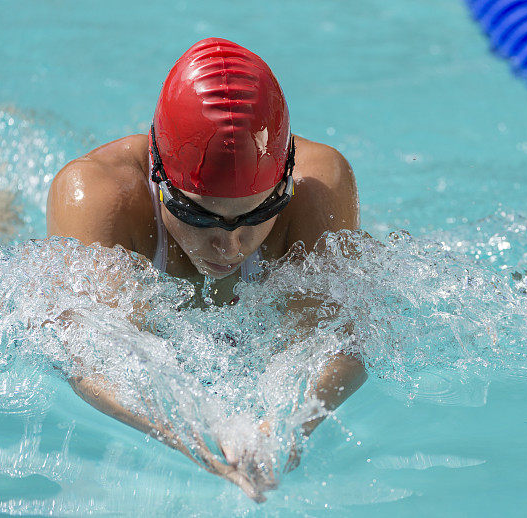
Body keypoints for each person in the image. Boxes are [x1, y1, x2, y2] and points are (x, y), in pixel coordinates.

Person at [45, 37, 367, 502]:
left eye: (257, 215)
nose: (230, 244)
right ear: (157, 176)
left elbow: (335, 338)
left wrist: (284, 424)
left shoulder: (318, 189)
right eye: (199, 216)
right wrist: (196, 431)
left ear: (285, 183)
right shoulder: (99, 197)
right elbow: (91, 358)